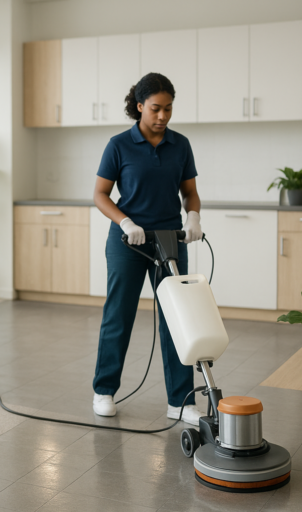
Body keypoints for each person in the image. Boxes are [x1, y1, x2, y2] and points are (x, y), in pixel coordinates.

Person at [91, 72, 204, 425]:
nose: (163, 117)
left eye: (168, 109)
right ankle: (104, 390)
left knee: (176, 318)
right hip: (129, 241)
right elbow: (100, 194)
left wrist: (194, 216)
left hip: (170, 239)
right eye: (156, 109)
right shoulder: (119, 145)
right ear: (140, 106)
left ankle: (180, 401)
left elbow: (189, 192)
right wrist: (125, 222)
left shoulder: (180, 144)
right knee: (118, 315)